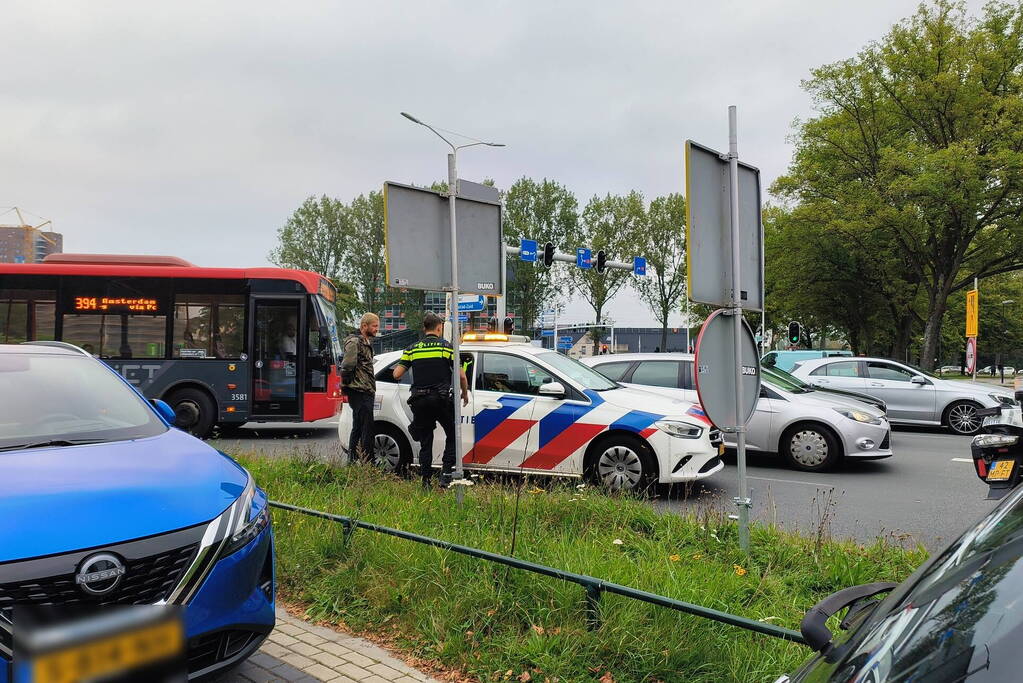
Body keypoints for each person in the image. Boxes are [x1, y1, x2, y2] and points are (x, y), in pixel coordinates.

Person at [392, 313, 469, 488]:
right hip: (440, 400)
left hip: (419, 400)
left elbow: (397, 374)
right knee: (452, 433)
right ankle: (446, 473)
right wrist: (464, 394)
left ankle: (425, 482)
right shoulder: (446, 347)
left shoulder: (412, 349)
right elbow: (462, 376)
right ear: (439, 328)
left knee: (426, 441)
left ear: (423, 328)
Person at [341, 313, 379, 463]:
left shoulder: (365, 342)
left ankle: (352, 460)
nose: (377, 329)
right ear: (364, 326)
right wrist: (349, 385)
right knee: (366, 428)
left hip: (365, 390)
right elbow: (347, 365)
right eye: (374, 326)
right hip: (360, 391)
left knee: (358, 426)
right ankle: (368, 463)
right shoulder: (355, 342)